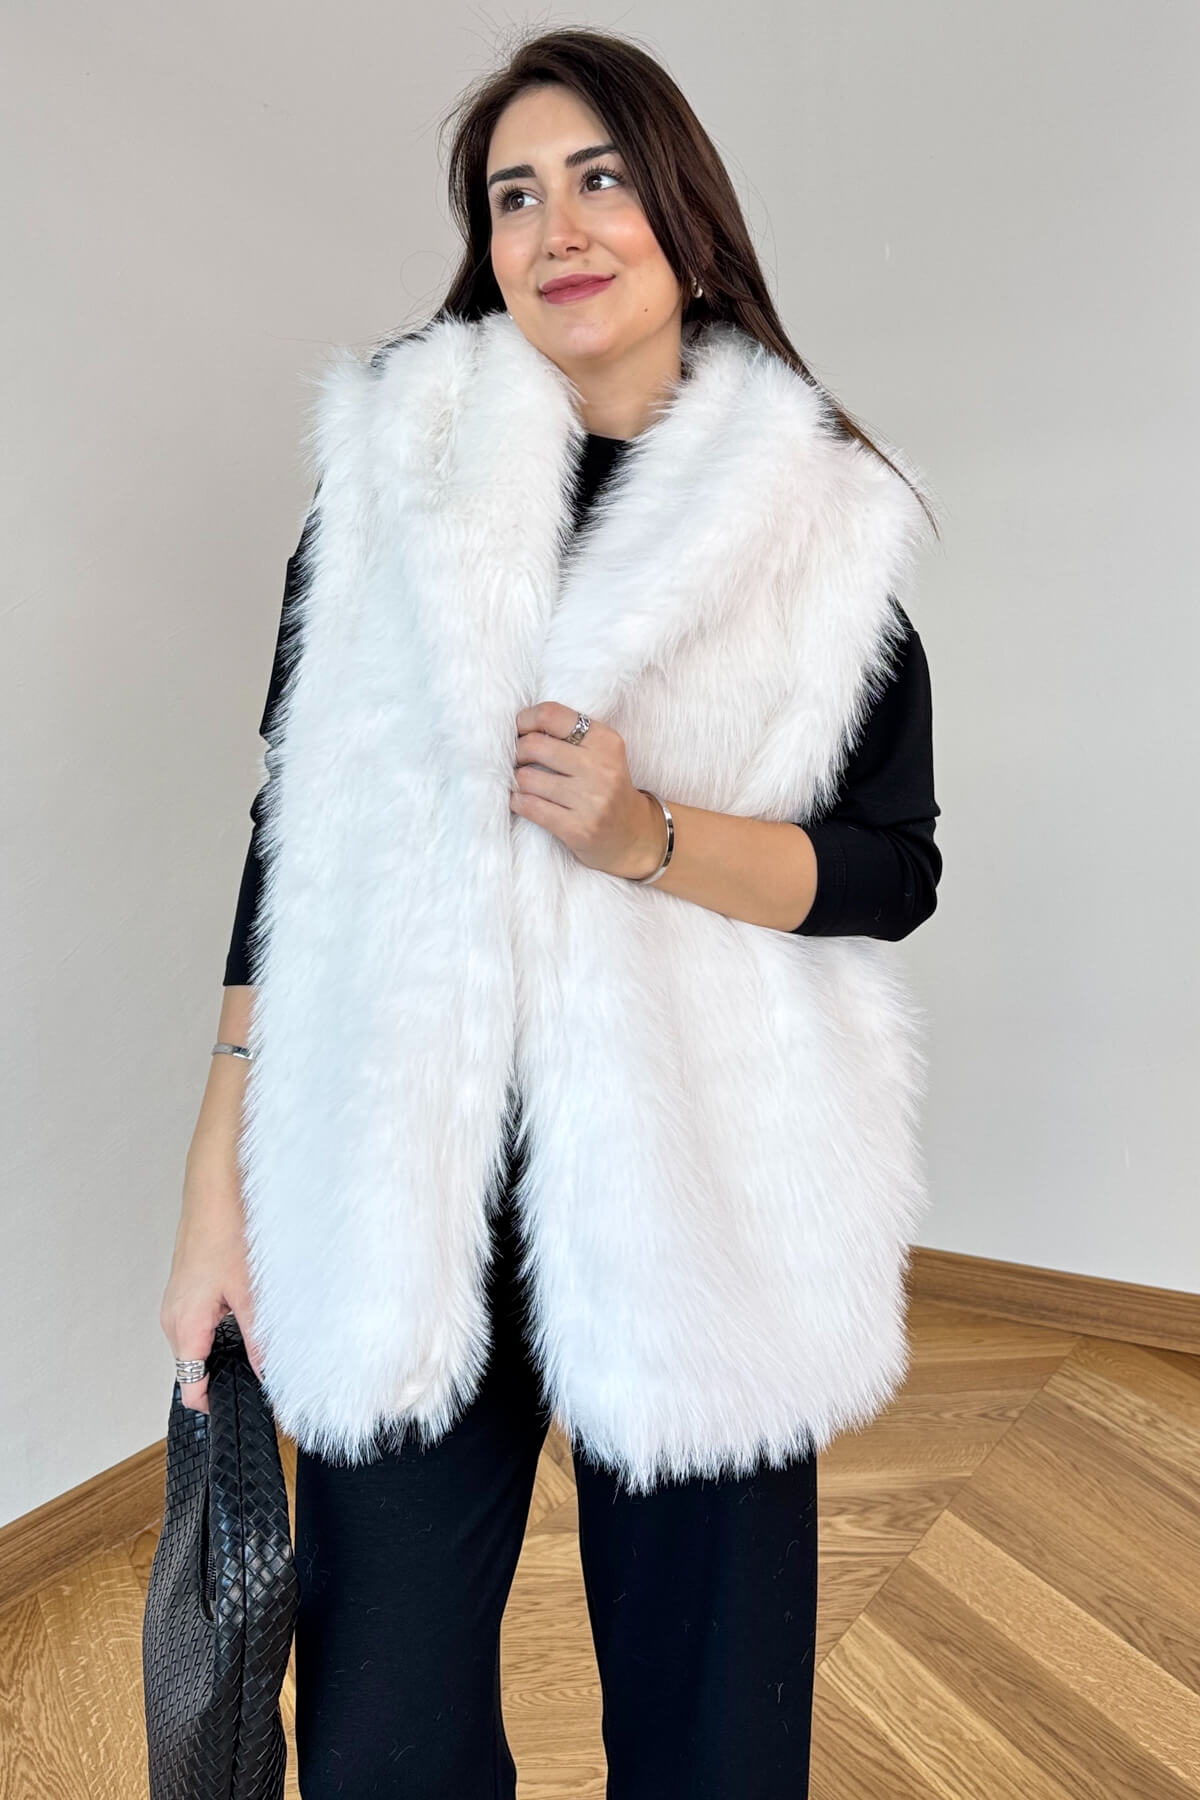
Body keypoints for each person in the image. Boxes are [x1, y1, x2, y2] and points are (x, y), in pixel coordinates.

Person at [161, 26, 942, 1799]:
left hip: (699, 1171)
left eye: (598, 179)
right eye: (515, 195)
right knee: (381, 1737)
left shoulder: (818, 522)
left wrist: (648, 836)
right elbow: (294, 841)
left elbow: (890, 867)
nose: (557, 226)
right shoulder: (390, 485)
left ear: (687, 219)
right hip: (402, 1165)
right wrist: (217, 1183)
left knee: (715, 1731)